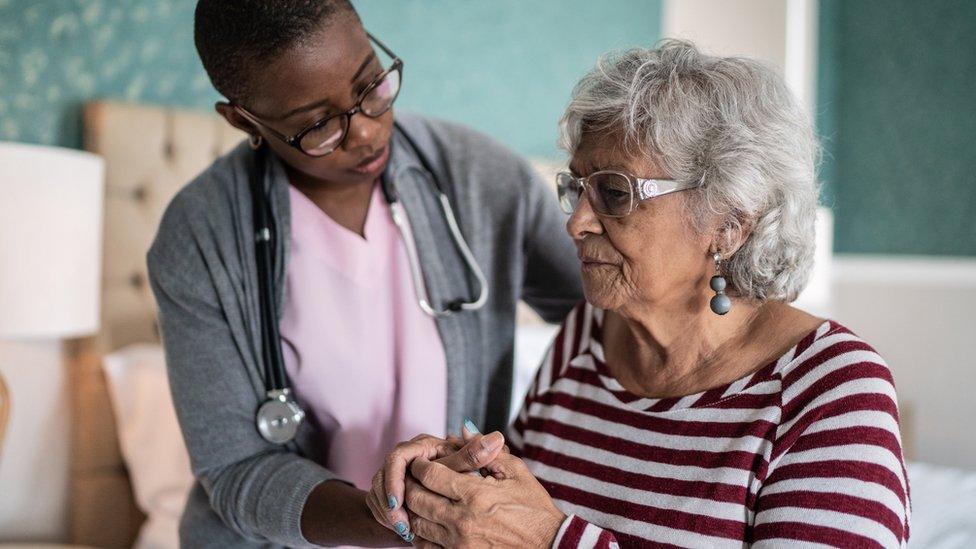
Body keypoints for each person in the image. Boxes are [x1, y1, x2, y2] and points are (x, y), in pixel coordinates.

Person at [370, 41, 911, 548]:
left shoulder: (832, 391)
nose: (576, 223)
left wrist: (551, 542)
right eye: (577, 189)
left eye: (613, 192)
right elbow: (519, 510)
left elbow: (537, 533)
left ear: (729, 223)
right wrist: (456, 479)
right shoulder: (588, 335)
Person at [146, 1, 581, 546]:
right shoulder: (199, 238)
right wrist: (405, 521)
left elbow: (612, 318)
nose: (366, 133)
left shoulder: (484, 181)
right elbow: (237, 468)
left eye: (371, 85)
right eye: (318, 124)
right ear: (243, 120)